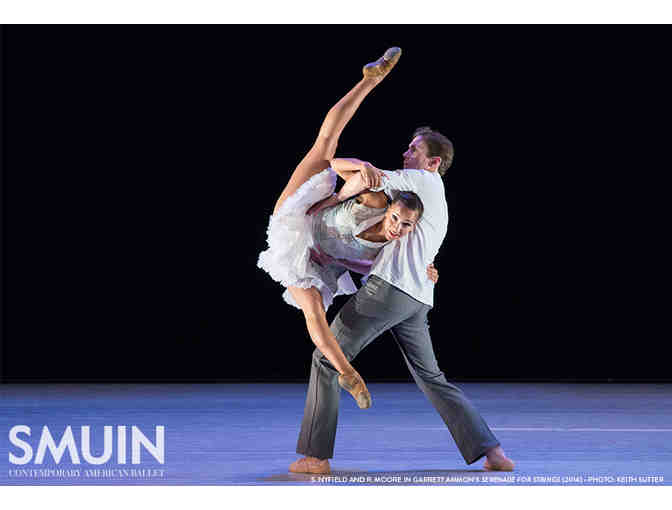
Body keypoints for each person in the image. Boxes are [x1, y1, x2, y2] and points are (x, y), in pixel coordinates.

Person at [288, 126, 516, 474]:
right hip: (418, 299)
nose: (406, 154)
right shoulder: (435, 196)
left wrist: (349, 166)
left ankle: (315, 458)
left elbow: (360, 175)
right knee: (432, 378)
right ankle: (494, 453)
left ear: (433, 162)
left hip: (389, 290)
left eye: (414, 149)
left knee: (326, 358)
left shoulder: (421, 180)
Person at [258, 47, 438, 410]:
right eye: (396, 219)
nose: (397, 228)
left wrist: (427, 267)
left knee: (314, 312)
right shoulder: (376, 200)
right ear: (389, 209)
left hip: (311, 260)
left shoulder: (387, 251)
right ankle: (370, 80)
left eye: (404, 226)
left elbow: (408, 262)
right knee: (325, 144)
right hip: (300, 219)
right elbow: (338, 166)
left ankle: (348, 374)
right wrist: (357, 170)